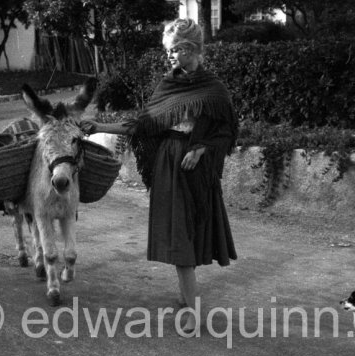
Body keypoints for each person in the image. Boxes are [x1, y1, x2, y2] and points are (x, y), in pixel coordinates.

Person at [82, 18, 238, 334]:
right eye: (167, 51)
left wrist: (203, 149)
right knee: (180, 237)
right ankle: (192, 308)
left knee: (191, 233)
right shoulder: (168, 85)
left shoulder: (214, 90)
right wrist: (99, 127)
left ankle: (188, 300)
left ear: (191, 49)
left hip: (196, 171)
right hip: (168, 165)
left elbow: (228, 132)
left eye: (173, 50)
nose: (168, 57)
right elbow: (142, 124)